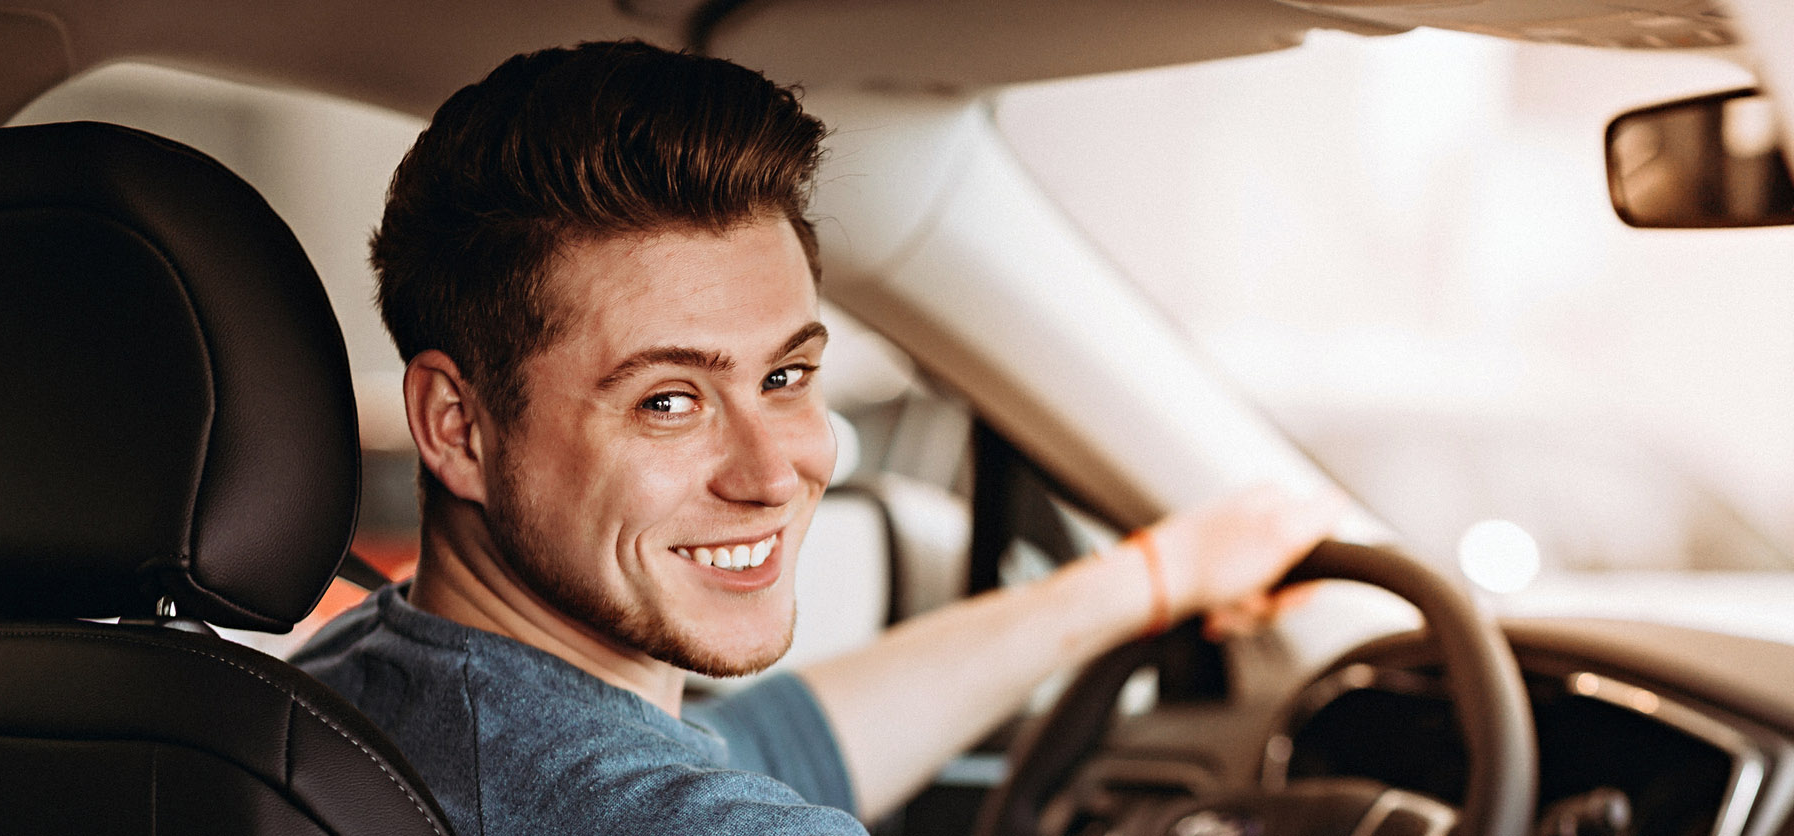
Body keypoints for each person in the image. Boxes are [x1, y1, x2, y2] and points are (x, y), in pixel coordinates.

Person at [291, 39, 1343, 836]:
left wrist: (1147, 578)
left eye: (785, 376)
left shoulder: (366, 686)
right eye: (670, 399)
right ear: (456, 426)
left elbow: (772, 744)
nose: (777, 468)